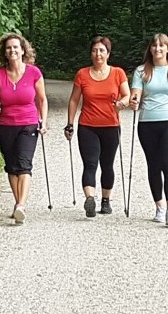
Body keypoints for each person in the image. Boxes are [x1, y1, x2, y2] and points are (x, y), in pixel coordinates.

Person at [129, 34, 168, 226]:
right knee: (154, 165)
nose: (158, 49)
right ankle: (159, 207)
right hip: (148, 122)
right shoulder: (141, 71)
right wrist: (134, 101)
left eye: (161, 46)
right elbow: (136, 94)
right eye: (154, 46)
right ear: (150, 49)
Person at [65, 36, 130, 218]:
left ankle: (106, 200)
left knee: (107, 164)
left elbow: (127, 95)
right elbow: (74, 100)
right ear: (90, 53)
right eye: (94, 50)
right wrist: (70, 124)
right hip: (88, 126)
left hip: (111, 125)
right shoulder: (82, 74)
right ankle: (90, 199)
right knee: (90, 163)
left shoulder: (118, 73)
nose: (98, 54)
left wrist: (122, 104)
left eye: (102, 50)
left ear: (108, 54)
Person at [0, 33, 48, 225]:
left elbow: (42, 99)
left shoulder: (34, 73)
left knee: (24, 164)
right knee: (11, 166)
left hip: (28, 123)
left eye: (16, 47)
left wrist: (43, 120)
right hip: (6, 124)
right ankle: (18, 204)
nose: (12, 50)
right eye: (8, 48)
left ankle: (21, 205)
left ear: (23, 50)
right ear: (4, 52)